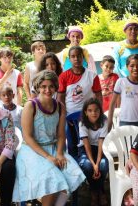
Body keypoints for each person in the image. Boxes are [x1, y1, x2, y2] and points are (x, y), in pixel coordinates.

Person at [12, 70, 85, 205]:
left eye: (51, 86)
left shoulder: (60, 106)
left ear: (56, 87)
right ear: (38, 87)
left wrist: (59, 154)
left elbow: (61, 134)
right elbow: (27, 137)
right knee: (55, 180)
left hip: (53, 147)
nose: (47, 90)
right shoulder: (30, 106)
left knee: (70, 174)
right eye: (44, 86)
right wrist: (48, 157)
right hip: (32, 151)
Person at [57, 45, 102, 158]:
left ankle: (90, 168)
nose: (76, 59)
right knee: (72, 146)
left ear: (83, 58)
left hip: (88, 117)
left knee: (90, 145)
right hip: (70, 118)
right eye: (73, 56)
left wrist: (98, 114)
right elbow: (60, 98)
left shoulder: (92, 76)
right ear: (69, 59)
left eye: (79, 56)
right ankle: (76, 171)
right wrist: (65, 115)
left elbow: (98, 96)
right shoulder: (63, 76)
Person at [77, 98, 109, 206]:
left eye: (96, 110)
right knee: (87, 166)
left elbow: (101, 143)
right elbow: (86, 145)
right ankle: (96, 191)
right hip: (86, 149)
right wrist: (93, 164)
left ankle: (98, 191)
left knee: (104, 166)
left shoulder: (104, 121)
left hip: (100, 148)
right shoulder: (82, 123)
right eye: (90, 110)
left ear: (100, 111)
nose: (93, 113)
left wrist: (98, 163)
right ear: (85, 112)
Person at [107, 54, 138, 129]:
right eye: (132, 66)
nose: (135, 68)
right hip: (124, 121)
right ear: (127, 67)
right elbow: (113, 103)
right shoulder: (121, 82)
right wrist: (110, 121)